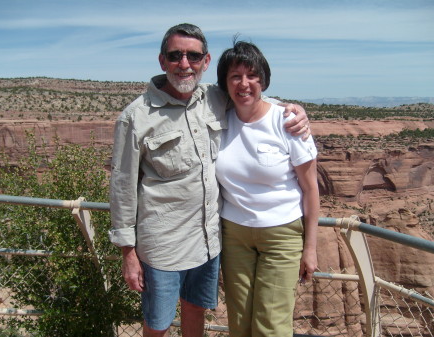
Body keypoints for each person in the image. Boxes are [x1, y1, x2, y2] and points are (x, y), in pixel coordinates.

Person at [108, 23, 311, 337]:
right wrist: (128, 254)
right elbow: (122, 189)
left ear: (205, 61)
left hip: (208, 242)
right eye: (176, 55)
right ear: (162, 61)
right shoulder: (136, 117)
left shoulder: (213, 98)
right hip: (162, 244)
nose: (184, 63)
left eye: (193, 56)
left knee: (195, 314)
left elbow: (250, 93)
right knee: (158, 323)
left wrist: (294, 109)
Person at [215, 39, 319, 337]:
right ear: (225, 82)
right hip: (234, 234)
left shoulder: (286, 121)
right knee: (240, 321)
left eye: (252, 76)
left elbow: (311, 190)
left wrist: (309, 248)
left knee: (270, 325)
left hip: (282, 235)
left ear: (264, 80)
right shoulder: (219, 120)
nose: (244, 84)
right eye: (235, 76)